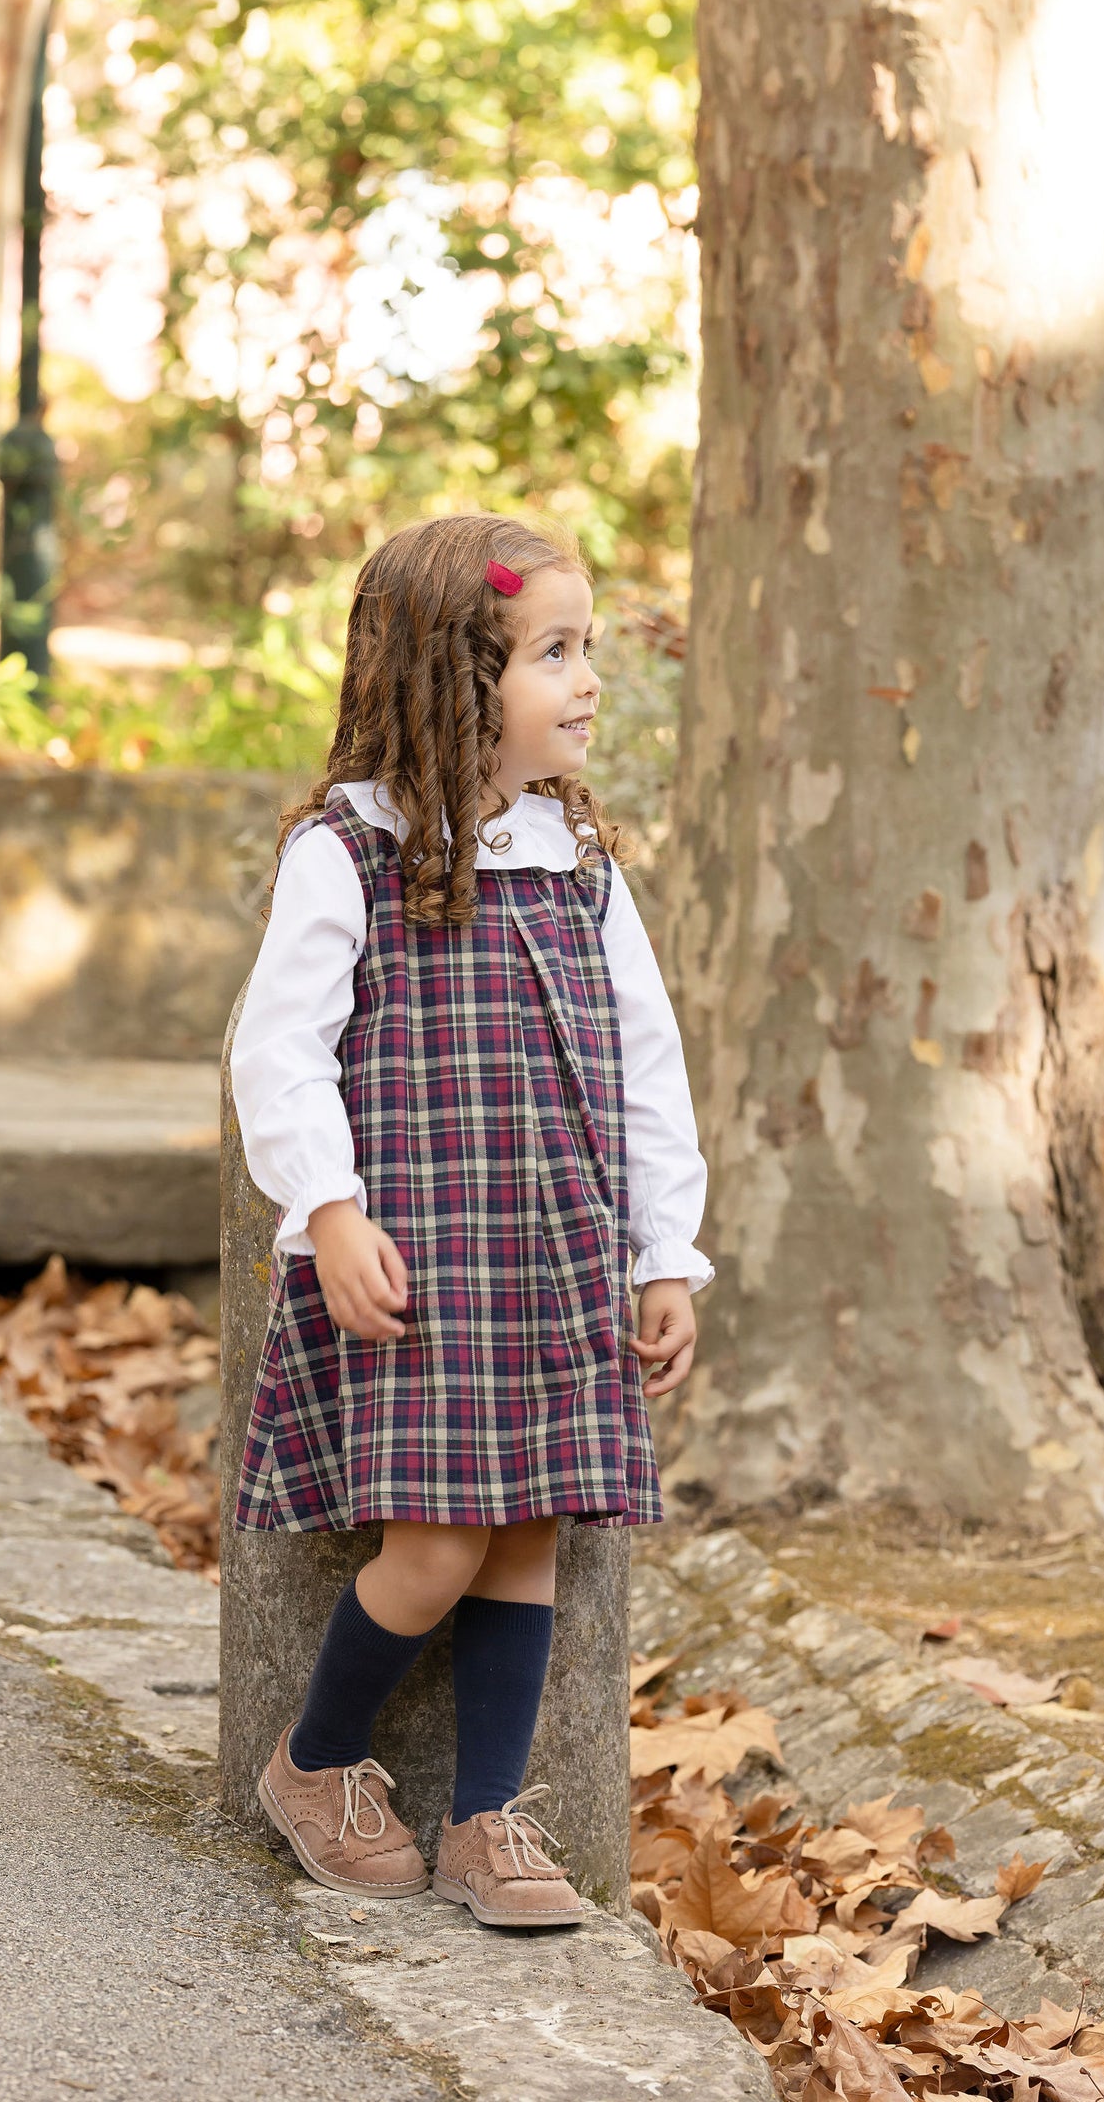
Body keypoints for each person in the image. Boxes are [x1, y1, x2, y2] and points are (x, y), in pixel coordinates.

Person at [230, 511, 714, 1929]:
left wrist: (664, 1254)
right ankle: (315, 1764)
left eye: (586, 649)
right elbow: (280, 1051)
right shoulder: (349, 852)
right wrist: (327, 1210)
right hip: (419, 1265)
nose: (588, 679)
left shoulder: (577, 863)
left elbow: (648, 1067)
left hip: (555, 1256)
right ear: (455, 677)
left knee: (527, 1541)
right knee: (436, 1547)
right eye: (552, 652)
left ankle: (486, 1820)